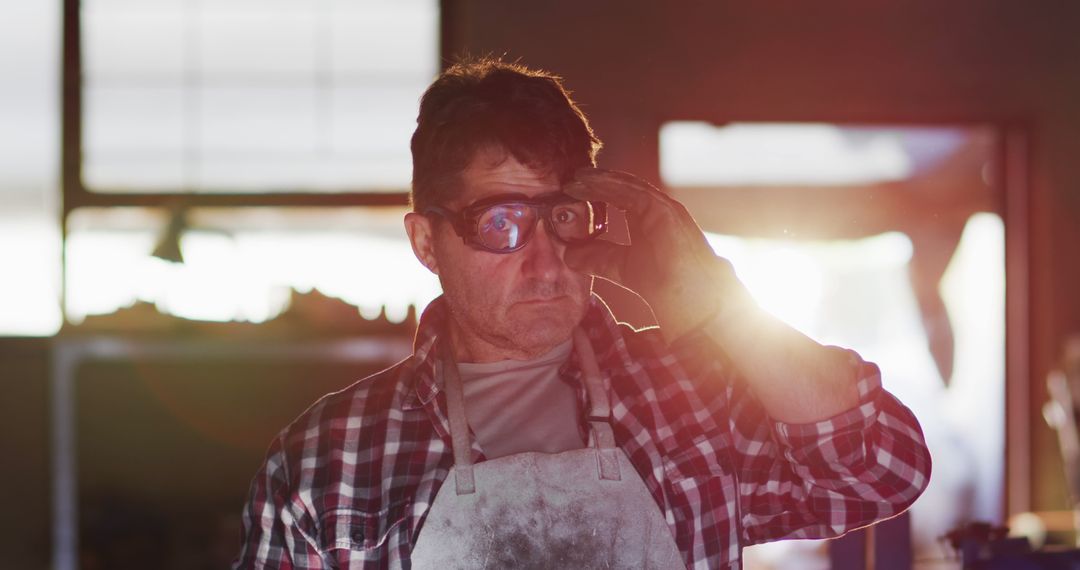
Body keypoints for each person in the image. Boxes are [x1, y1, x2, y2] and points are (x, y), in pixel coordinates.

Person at [234, 58, 931, 570]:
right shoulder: (328, 462)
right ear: (426, 241)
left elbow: (880, 471)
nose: (543, 261)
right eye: (500, 221)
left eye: (561, 215)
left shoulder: (690, 399)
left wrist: (717, 298)